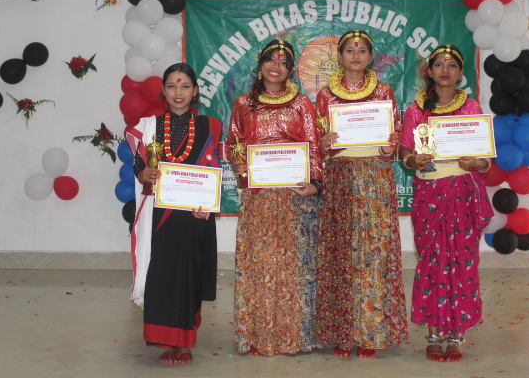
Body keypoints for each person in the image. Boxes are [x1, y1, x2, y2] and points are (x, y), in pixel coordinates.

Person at [314, 30, 408, 358]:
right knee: (341, 252)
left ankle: (369, 331)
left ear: (371, 56)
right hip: (340, 176)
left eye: (362, 50)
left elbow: (394, 133)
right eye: (350, 50)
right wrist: (324, 144)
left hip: (375, 176)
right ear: (340, 56)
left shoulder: (384, 91)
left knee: (373, 251)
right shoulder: (325, 95)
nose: (356, 55)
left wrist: (389, 145)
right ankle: (343, 331)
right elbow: (317, 139)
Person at [226, 39, 323, 356]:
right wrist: (238, 165)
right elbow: (234, 144)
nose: (276, 66)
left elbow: (314, 146)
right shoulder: (244, 104)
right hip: (258, 198)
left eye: (283, 62)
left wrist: (315, 184)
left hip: (295, 198)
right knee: (259, 266)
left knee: (295, 268)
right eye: (270, 59)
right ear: (260, 65)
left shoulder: (302, 104)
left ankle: (297, 336)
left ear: (290, 70)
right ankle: (257, 335)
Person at [398, 44, 494, 362]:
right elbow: (405, 152)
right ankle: (434, 335)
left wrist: (477, 163)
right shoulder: (416, 109)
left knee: (461, 262)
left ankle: (455, 335)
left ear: (460, 73)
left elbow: (486, 160)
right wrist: (412, 159)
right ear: (429, 70)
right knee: (432, 262)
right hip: (429, 194)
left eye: (452, 65)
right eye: (439, 64)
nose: (445, 70)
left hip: (462, 194)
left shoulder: (471, 107)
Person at [126, 63, 222, 364]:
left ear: (195, 91)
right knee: (161, 273)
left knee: (188, 274)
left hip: (194, 214)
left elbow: (215, 168)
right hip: (160, 213)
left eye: (184, 86)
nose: (178, 92)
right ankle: (165, 340)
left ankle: (185, 342)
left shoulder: (211, 125)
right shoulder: (148, 126)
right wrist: (143, 174)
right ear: (163, 91)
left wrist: (207, 205)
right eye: (171, 86)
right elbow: (139, 165)